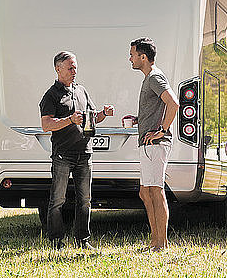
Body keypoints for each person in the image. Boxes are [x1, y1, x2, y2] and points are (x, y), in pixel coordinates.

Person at [40, 51, 114, 250]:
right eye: (70, 68)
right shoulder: (51, 95)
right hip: (63, 155)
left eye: (75, 67)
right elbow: (46, 125)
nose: (74, 71)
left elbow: (91, 117)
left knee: (85, 200)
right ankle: (57, 241)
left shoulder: (81, 90)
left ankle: (83, 240)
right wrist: (69, 120)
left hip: (84, 153)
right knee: (58, 200)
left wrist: (103, 114)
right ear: (58, 69)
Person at [125, 37, 179, 252]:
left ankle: (161, 243)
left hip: (156, 144)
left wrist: (161, 131)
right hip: (147, 143)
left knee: (156, 191)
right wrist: (140, 120)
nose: (130, 58)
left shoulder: (155, 77)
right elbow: (157, 107)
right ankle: (155, 241)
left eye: (132, 54)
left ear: (143, 57)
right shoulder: (148, 79)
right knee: (145, 193)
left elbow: (173, 103)